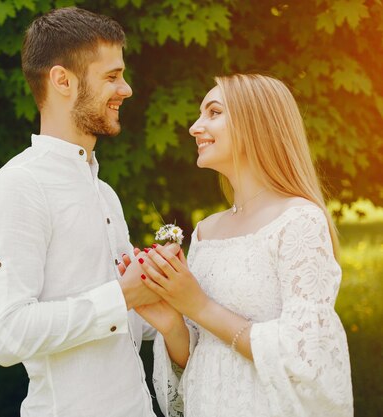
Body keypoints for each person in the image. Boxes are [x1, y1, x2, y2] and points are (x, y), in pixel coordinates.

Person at [0, 7, 177, 417]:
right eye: (111, 76)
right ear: (62, 80)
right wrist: (122, 295)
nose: (127, 89)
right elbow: (6, 334)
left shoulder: (104, 194)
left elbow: (123, 326)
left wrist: (170, 289)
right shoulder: (19, 188)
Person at [129, 74, 354, 417]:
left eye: (213, 113)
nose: (194, 127)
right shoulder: (205, 231)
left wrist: (199, 305)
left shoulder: (299, 221)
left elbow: (307, 352)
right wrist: (173, 320)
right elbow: (202, 359)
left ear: (256, 124)